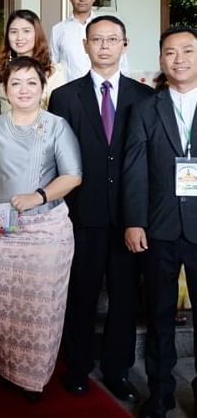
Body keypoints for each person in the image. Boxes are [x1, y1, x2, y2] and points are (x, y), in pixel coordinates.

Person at [49, 15, 152, 402]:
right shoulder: (64, 97)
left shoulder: (143, 98)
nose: (105, 46)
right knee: (81, 294)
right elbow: (55, 159)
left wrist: (139, 216)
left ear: (125, 44)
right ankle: (76, 368)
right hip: (80, 214)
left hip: (128, 218)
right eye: (97, 39)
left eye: (112, 39)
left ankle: (117, 370)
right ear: (85, 46)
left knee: (125, 298)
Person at [0, 56, 82, 401]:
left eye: (31, 82)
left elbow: (73, 176)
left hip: (47, 229)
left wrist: (39, 196)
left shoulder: (57, 125)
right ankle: (9, 369)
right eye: (16, 82)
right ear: (5, 89)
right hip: (2, 230)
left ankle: (35, 377)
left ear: (42, 87)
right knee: (5, 304)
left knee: (42, 307)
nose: (23, 89)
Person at [123, 26, 197, 418]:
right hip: (159, 228)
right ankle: (161, 392)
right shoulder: (146, 109)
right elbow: (134, 170)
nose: (179, 59)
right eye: (171, 53)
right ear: (161, 60)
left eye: (187, 51)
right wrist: (134, 222)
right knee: (159, 317)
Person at [50, 0, 128, 82]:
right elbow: (53, 68)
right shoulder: (58, 30)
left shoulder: (110, 27)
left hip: (105, 92)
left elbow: (122, 64)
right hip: (71, 93)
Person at [0, 9, 67, 113]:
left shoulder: (53, 71)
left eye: (26, 31)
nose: (19, 37)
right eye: (13, 32)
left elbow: (60, 111)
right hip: (4, 127)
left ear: (37, 34)